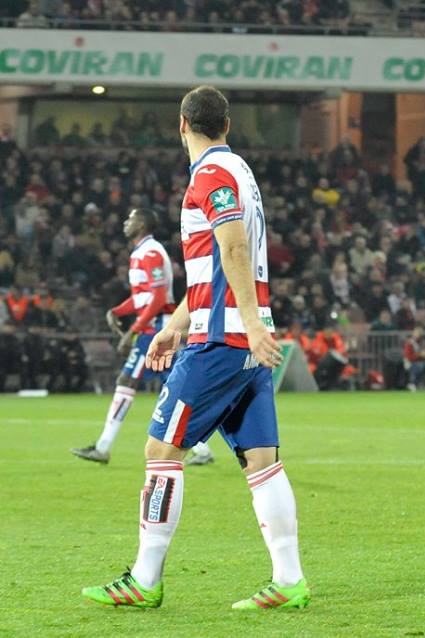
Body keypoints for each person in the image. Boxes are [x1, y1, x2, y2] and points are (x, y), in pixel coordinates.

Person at [82, 86, 309, 610]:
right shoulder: (241, 173)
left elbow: (232, 246)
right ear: (226, 125)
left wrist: (247, 324)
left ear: (181, 124)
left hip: (224, 341)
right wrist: (176, 324)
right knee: (263, 462)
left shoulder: (209, 177)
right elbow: (214, 269)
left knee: (161, 450)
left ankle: (144, 580)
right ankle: (289, 579)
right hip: (234, 336)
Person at [70, 208, 214, 466]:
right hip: (153, 328)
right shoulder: (141, 253)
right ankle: (203, 448)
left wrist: (133, 331)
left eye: (131, 218)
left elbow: (159, 299)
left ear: (143, 224)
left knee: (127, 380)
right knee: (175, 387)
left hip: (154, 330)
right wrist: (118, 310)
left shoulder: (151, 253)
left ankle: (103, 447)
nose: (126, 222)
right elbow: (142, 298)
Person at [403, 325, 425, 391]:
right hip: (411, 363)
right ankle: (412, 383)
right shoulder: (409, 343)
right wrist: (419, 355)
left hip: (424, 362)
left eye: (419, 333)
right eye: (417, 333)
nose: (418, 334)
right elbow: (409, 357)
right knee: (420, 366)